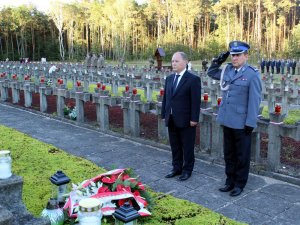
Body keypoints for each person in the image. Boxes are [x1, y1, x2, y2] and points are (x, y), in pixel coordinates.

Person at [207, 41, 262, 197]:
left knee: (242, 155)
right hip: (227, 119)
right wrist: (219, 60)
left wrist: (250, 122)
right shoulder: (228, 70)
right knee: (229, 153)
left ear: (246, 55)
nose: (234, 58)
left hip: (242, 122)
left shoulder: (252, 74)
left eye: (238, 55)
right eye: (232, 55)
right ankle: (229, 180)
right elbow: (211, 72)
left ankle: (239, 183)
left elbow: (254, 100)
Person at [161, 52, 201, 181]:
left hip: (186, 120)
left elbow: (195, 101)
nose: (173, 63)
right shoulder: (169, 79)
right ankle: (176, 168)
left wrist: (194, 118)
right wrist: (164, 114)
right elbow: (166, 99)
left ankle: (187, 170)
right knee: (175, 145)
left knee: (187, 146)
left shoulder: (193, 79)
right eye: (172, 61)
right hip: (172, 118)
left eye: (176, 61)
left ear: (185, 62)